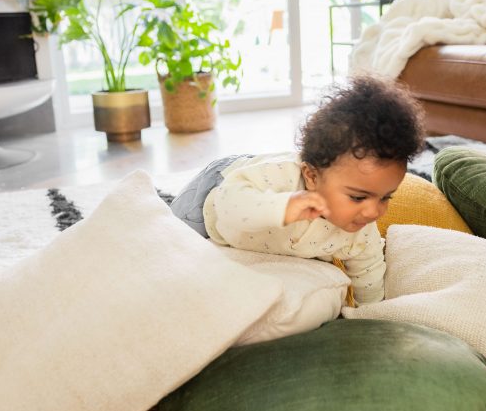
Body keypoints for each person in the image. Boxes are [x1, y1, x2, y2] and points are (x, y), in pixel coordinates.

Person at [169, 76, 425, 305]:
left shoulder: (359, 233)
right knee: (169, 237)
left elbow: (368, 273)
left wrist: (373, 317)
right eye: (358, 197)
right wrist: (282, 207)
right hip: (215, 191)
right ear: (311, 176)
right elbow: (227, 205)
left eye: (385, 197)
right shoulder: (279, 178)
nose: (373, 211)